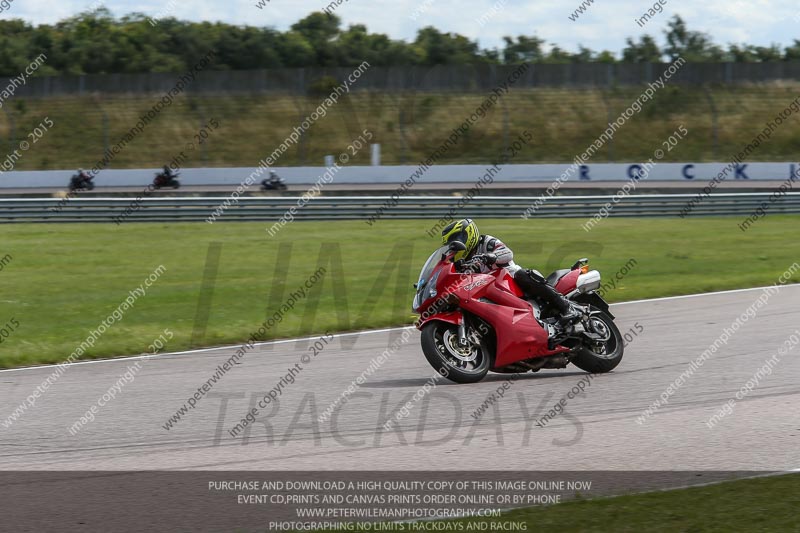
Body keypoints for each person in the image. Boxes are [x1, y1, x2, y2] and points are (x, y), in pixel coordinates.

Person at [440, 218, 582, 328]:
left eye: (459, 239)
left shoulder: (486, 242)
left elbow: (508, 253)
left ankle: (566, 306)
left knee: (523, 275)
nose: (457, 244)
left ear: (468, 234)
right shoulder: (462, 261)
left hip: (508, 277)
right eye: (453, 242)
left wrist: (491, 256)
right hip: (488, 289)